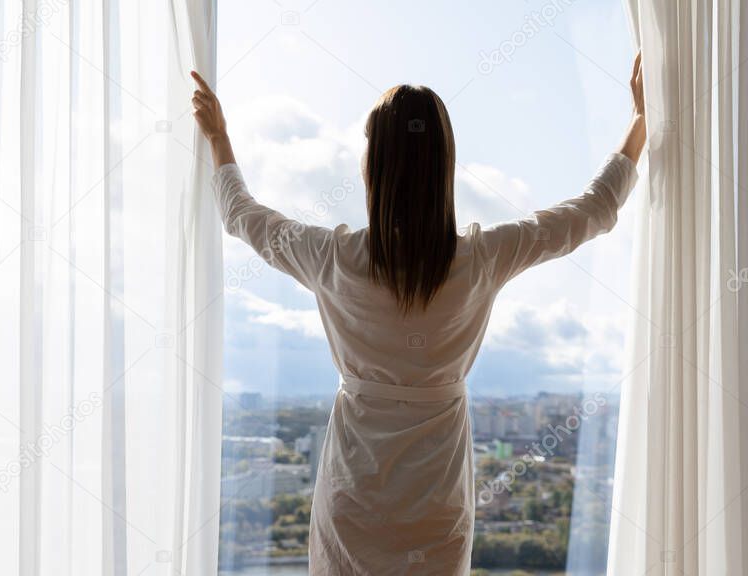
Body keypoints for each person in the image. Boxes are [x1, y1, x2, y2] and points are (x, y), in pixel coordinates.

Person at [190, 51, 645, 575]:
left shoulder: (331, 258)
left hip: (352, 499)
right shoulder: (482, 258)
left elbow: (240, 216)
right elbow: (591, 212)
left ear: (373, 167)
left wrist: (220, 139)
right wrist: (636, 127)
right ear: (444, 165)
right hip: (438, 505)